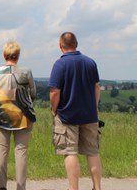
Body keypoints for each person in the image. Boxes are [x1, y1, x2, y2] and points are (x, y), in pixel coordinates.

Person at [49, 32, 102, 190]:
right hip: (90, 114)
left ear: (60, 45)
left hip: (67, 115)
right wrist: (94, 106)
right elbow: (97, 87)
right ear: (76, 44)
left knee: (70, 151)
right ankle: (97, 187)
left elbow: (54, 92)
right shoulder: (90, 63)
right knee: (92, 152)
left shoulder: (60, 64)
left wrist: (54, 110)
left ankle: (74, 188)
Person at [0, 41, 36, 190]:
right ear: (18, 55)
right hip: (23, 116)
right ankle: (20, 187)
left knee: (2, 150)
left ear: (5, 55)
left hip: (1, 115)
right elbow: (32, 93)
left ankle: (1, 186)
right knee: (21, 152)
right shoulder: (26, 72)